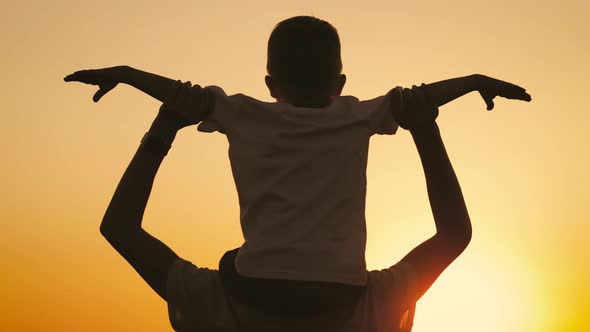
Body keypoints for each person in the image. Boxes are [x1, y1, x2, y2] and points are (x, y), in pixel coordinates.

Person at [64, 16, 531, 331]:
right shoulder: (355, 113)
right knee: (453, 238)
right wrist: (457, 96)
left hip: (246, 297)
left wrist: (142, 91)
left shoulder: (243, 112)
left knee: (123, 232)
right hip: (344, 301)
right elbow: (420, 98)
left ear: (270, 85)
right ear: (340, 84)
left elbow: (182, 94)